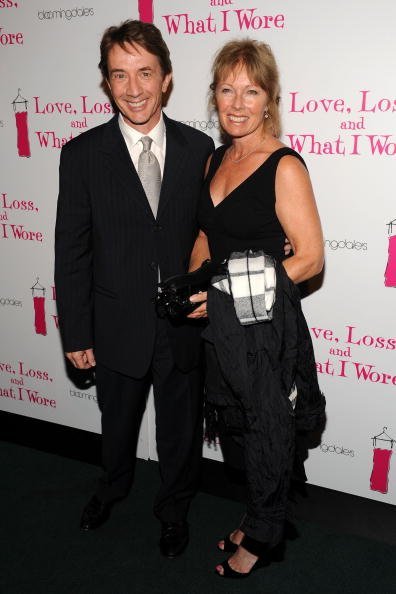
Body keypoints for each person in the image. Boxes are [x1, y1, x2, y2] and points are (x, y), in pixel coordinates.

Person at [54, 19, 214, 558]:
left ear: (166, 78)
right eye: (119, 75)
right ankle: (112, 487)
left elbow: (210, 233)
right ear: (106, 82)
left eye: (145, 72)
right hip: (116, 323)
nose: (134, 88)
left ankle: (174, 511)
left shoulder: (199, 148)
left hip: (183, 324)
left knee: (179, 432)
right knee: (116, 426)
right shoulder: (81, 155)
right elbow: (71, 253)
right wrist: (76, 330)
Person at [189, 39, 325, 577]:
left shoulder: (283, 166)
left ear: (269, 99)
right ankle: (259, 513)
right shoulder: (216, 158)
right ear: (214, 96)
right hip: (223, 329)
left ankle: (262, 541)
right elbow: (206, 232)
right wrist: (198, 284)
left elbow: (310, 258)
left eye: (251, 91)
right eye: (227, 89)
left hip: (265, 326)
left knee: (268, 430)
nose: (238, 102)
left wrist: (226, 295)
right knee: (241, 431)